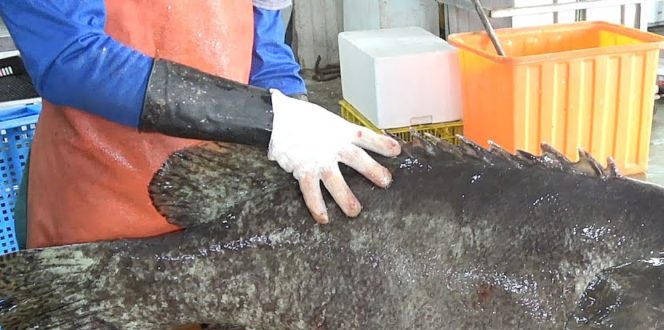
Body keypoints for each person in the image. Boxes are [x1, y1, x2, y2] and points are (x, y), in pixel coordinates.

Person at [0, 0, 401, 249]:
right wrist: (271, 120)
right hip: (98, 215)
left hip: (222, 207)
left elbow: (265, 47)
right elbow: (72, 58)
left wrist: (296, 119)